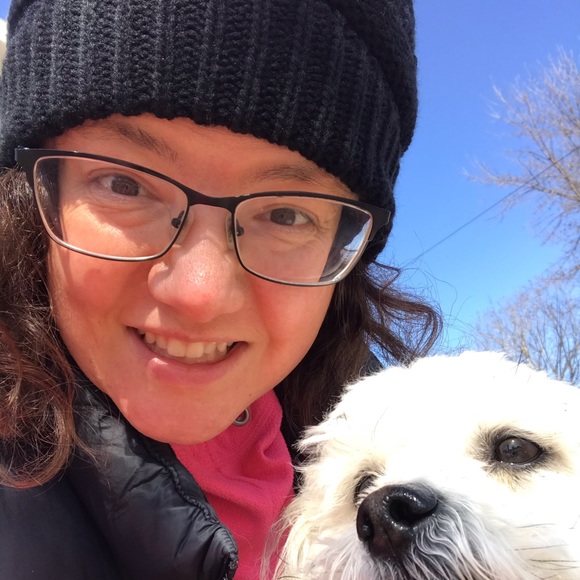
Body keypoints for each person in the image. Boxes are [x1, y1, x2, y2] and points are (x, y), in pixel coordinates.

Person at [0, 0, 440, 578]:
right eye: (123, 185)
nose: (200, 293)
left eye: (285, 215)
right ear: (32, 194)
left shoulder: (401, 471)